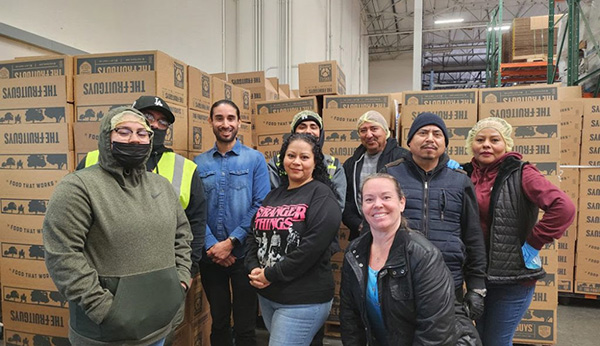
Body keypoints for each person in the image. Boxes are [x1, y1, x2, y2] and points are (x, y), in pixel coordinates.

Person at [43, 107, 192, 346]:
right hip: (106, 335)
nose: (134, 139)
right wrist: (104, 310)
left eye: (142, 134)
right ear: (106, 137)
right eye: (123, 131)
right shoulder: (78, 187)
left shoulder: (161, 186)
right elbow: (63, 255)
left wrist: (182, 281)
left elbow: (182, 235)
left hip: (159, 328)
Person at [463, 117, 575, 346]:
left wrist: (534, 242)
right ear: (470, 145)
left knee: (496, 342)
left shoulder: (521, 173)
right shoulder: (465, 175)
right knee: (480, 338)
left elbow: (563, 207)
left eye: (495, 140)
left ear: (506, 145)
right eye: (480, 139)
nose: (486, 145)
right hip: (477, 276)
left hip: (512, 278)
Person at [382, 112, 487, 344]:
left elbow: (473, 236)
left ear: (444, 143)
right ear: (409, 141)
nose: (430, 138)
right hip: (399, 280)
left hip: (449, 282)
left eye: (437, 134)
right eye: (423, 133)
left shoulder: (460, 181)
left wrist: (477, 286)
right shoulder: (390, 175)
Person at [246, 133, 342, 346]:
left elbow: (312, 248)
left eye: (304, 157)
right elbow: (254, 235)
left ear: (315, 162)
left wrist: (271, 273)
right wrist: (253, 266)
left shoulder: (322, 196)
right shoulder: (274, 195)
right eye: (291, 155)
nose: (296, 162)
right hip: (269, 294)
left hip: (303, 299)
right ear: (283, 159)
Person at [339, 173, 456, 345]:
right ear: (362, 206)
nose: (378, 205)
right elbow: (349, 317)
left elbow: (435, 330)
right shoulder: (354, 252)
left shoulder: (424, 256)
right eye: (369, 199)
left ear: (402, 203)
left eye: (386, 197)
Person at [194, 99, 270, 346]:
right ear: (210, 122)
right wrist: (212, 245)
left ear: (239, 122)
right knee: (219, 323)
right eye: (219, 118)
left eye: (230, 118)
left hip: (244, 255)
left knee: (246, 324)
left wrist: (231, 242)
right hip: (211, 256)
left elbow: (261, 204)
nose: (225, 124)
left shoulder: (255, 160)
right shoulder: (198, 163)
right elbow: (194, 209)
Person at [342, 111, 409, 240]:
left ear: (385, 131)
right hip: (361, 235)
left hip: (397, 235)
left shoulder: (402, 159)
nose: (369, 135)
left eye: (374, 129)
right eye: (363, 130)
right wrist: (358, 225)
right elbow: (347, 200)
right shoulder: (352, 163)